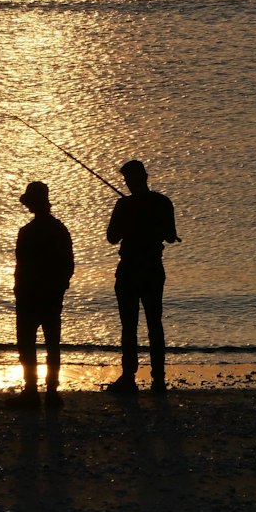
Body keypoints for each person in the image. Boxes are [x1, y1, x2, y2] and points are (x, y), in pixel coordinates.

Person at [106, 160, 177, 394]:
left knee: (129, 325)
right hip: (153, 269)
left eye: (127, 180)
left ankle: (129, 377)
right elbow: (170, 236)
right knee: (154, 323)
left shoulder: (124, 205)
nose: (127, 184)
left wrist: (130, 218)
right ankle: (158, 380)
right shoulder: (162, 202)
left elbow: (112, 237)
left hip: (129, 269)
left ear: (135, 179)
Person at [11, 181, 74, 408]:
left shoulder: (26, 232)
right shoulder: (59, 229)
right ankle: (51, 392)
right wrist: (60, 287)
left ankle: (31, 391)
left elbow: (21, 266)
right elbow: (68, 265)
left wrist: (19, 290)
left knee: (27, 344)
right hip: (50, 295)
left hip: (30, 295)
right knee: (52, 344)